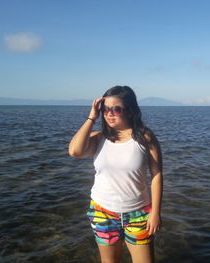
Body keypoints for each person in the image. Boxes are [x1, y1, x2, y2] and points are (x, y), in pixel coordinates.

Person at [69, 86, 163, 263]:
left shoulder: (145, 137)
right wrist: (91, 117)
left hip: (138, 212)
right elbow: (74, 151)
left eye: (116, 109)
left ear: (129, 111)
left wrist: (155, 212)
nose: (109, 113)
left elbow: (157, 175)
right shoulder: (99, 138)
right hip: (103, 212)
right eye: (105, 109)